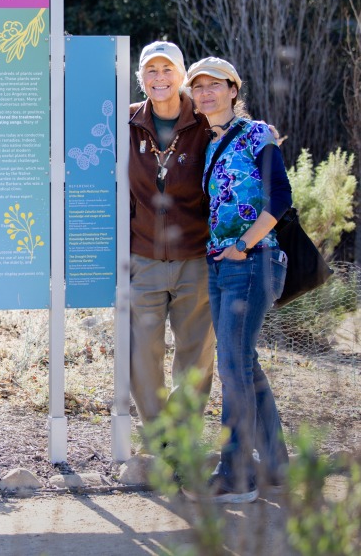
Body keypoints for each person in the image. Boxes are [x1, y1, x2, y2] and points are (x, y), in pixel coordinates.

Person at [180, 57, 291, 504]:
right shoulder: (209, 144)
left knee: (231, 364)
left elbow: (280, 196)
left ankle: (237, 472)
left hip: (253, 260)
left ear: (233, 90)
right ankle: (277, 463)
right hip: (221, 264)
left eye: (214, 85)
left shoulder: (256, 133)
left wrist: (243, 244)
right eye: (198, 87)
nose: (206, 93)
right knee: (243, 361)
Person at [128, 41, 215, 443]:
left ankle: (184, 437)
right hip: (142, 257)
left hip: (195, 258)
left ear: (181, 75)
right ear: (141, 78)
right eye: (151, 71)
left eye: (167, 70)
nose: (159, 78)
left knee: (195, 352)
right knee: (142, 353)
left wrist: (260, 133)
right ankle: (158, 438)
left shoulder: (204, 121)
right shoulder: (126, 122)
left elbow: (240, 130)